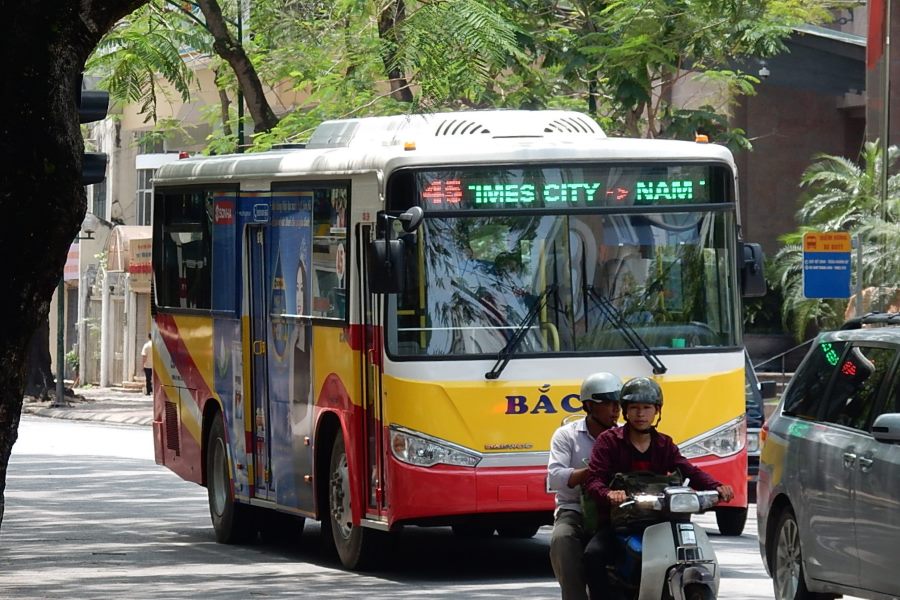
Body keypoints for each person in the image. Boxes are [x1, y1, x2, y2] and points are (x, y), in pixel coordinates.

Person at [583, 377, 734, 598]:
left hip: (663, 522)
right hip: (621, 525)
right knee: (592, 556)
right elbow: (593, 479)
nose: (640, 414)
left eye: (646, 408)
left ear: (657, 411)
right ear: (625, 411)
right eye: (634, 408)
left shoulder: (664, 444)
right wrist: (609, 494)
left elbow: (688, 470)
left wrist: (717, 487)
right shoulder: (609, 441)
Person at [547, 372, 623, 600]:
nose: (616, 410)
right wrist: (593, 471)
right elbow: (555, 478)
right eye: (608, 403)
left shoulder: (624, 435)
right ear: (589, 406)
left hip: (618, 510)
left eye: (618, 403)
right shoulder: (566, 436)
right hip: (575, 509)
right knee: (562, 540)